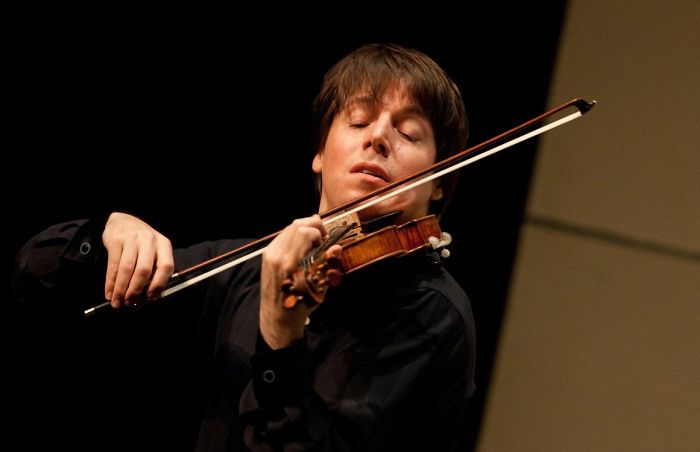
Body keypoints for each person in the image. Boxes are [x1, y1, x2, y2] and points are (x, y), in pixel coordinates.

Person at [12, 43, 475, 451]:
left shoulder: (432, 313)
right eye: (358, 120)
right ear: (319, 154)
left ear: (438, 182)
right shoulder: (249, 268)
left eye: (409, 133)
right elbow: (39, 276)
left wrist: (278, 337)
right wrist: (111, 232)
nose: (377, 137)